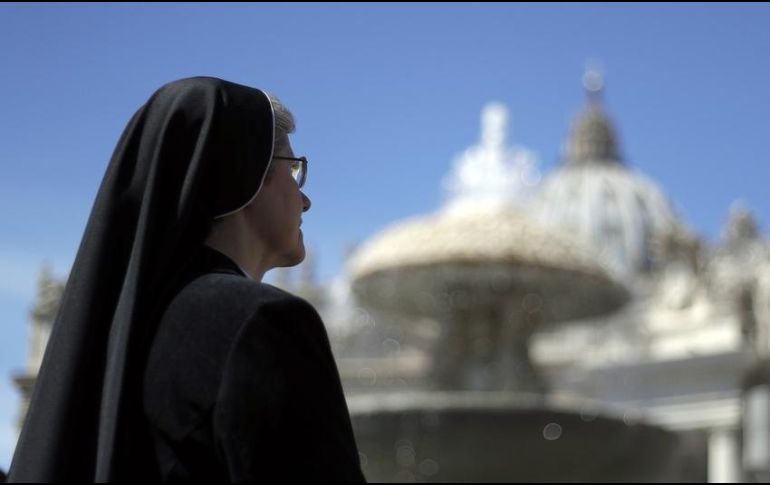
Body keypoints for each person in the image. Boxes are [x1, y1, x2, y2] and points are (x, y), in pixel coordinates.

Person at [8, 77, 366, 482]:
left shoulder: (111, 330)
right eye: (293, 169)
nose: (305, 199)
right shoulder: (264, 322)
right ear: (246, 173)